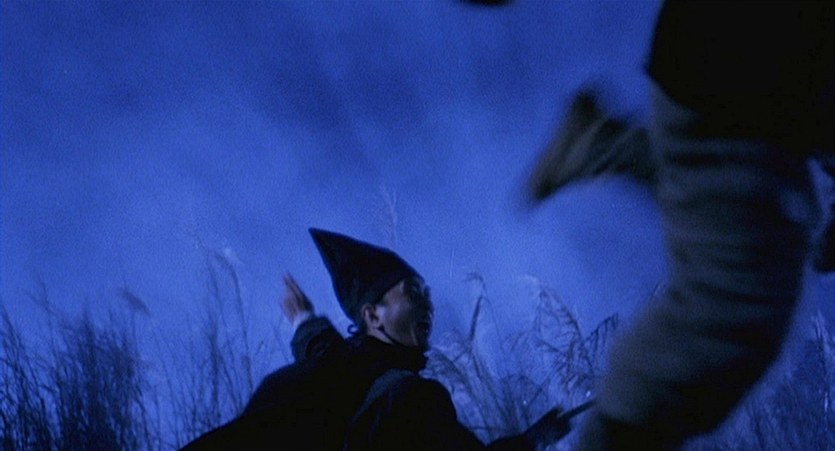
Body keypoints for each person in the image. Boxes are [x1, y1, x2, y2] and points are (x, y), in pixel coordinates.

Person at [521, 2, 833, 449]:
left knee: (720, 190)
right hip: (743, 61)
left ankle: (602, 145)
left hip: (733, 63)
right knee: (736, 317)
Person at [184, 228, 572, 450]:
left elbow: (324, 350)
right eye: (413, 292)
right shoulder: (410, 396)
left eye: (427, 294)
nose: (428, 304)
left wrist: (303, 319)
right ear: (373, 316)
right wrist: (531, 441)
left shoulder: (342, 370)